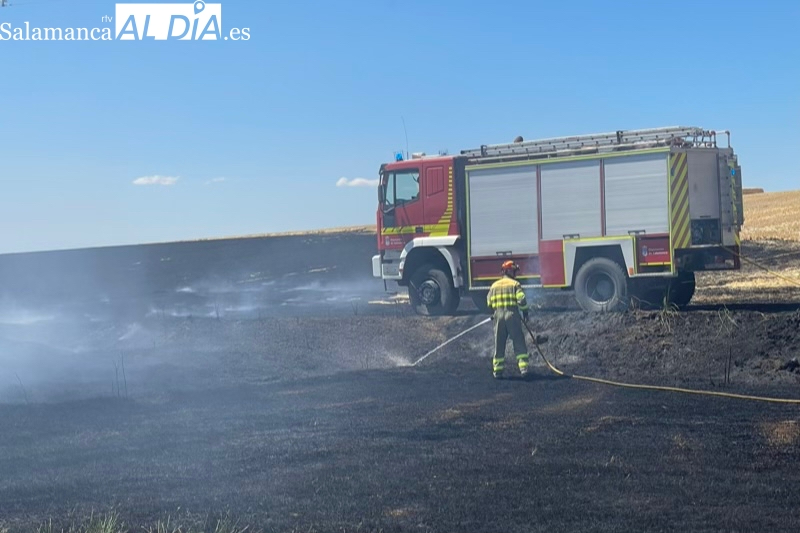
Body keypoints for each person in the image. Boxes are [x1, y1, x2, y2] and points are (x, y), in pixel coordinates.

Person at [487, 260, 530, 378]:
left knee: (499, 344)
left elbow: (489, 302)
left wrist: (494, 311)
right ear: (510, 271)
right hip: (512, 316)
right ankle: (523, 369)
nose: (515, 273)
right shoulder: (515, 284)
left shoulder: (494, 285)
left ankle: (497, 371)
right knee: (518, 341)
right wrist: (525, 312)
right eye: (514, 271)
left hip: (498, 317)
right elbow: (521, 300)